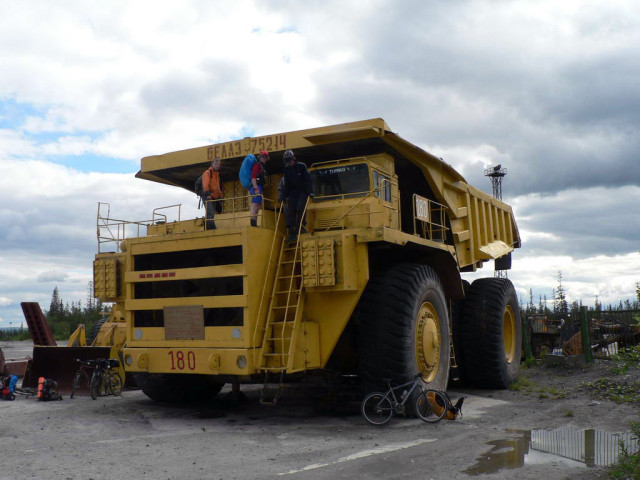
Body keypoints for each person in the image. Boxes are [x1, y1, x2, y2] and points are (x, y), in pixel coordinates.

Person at [281, 149, 312, 242]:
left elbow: (308, 180)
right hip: (292, 193)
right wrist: (284, 196)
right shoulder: (286, 169)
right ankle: (292, 233)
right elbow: (286, 183)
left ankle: (300, 228)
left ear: (293, 159)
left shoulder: (302, 166)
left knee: (300, 208)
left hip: (302, 192)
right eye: (287, 161)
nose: (289, 163)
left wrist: (310, 192)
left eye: (290, 160)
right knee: (290, 211)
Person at [201, 157, 223, 229]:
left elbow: (217, 185)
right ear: (212, 164)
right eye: (216, 164)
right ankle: (213, 229)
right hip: (208, 195)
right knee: (210, 213)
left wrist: (220, 194)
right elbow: (205, 184)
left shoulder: (216, 174)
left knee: (211, 213)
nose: (217, 165)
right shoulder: (208, 173)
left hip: (213, 196)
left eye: (218, 164)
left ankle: (208, 229)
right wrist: (208, 194)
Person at [249, 150, 269, 227]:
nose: (264, 158)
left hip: (258, 186)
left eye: (266, 157)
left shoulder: (261, 166)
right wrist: (256, 188)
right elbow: (253, 177)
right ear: (260, 157)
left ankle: (254, 222)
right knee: (255, 205)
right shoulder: (257, 165)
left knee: (257, 206)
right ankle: (253, 223)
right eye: (263, 157)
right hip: (256, 186)